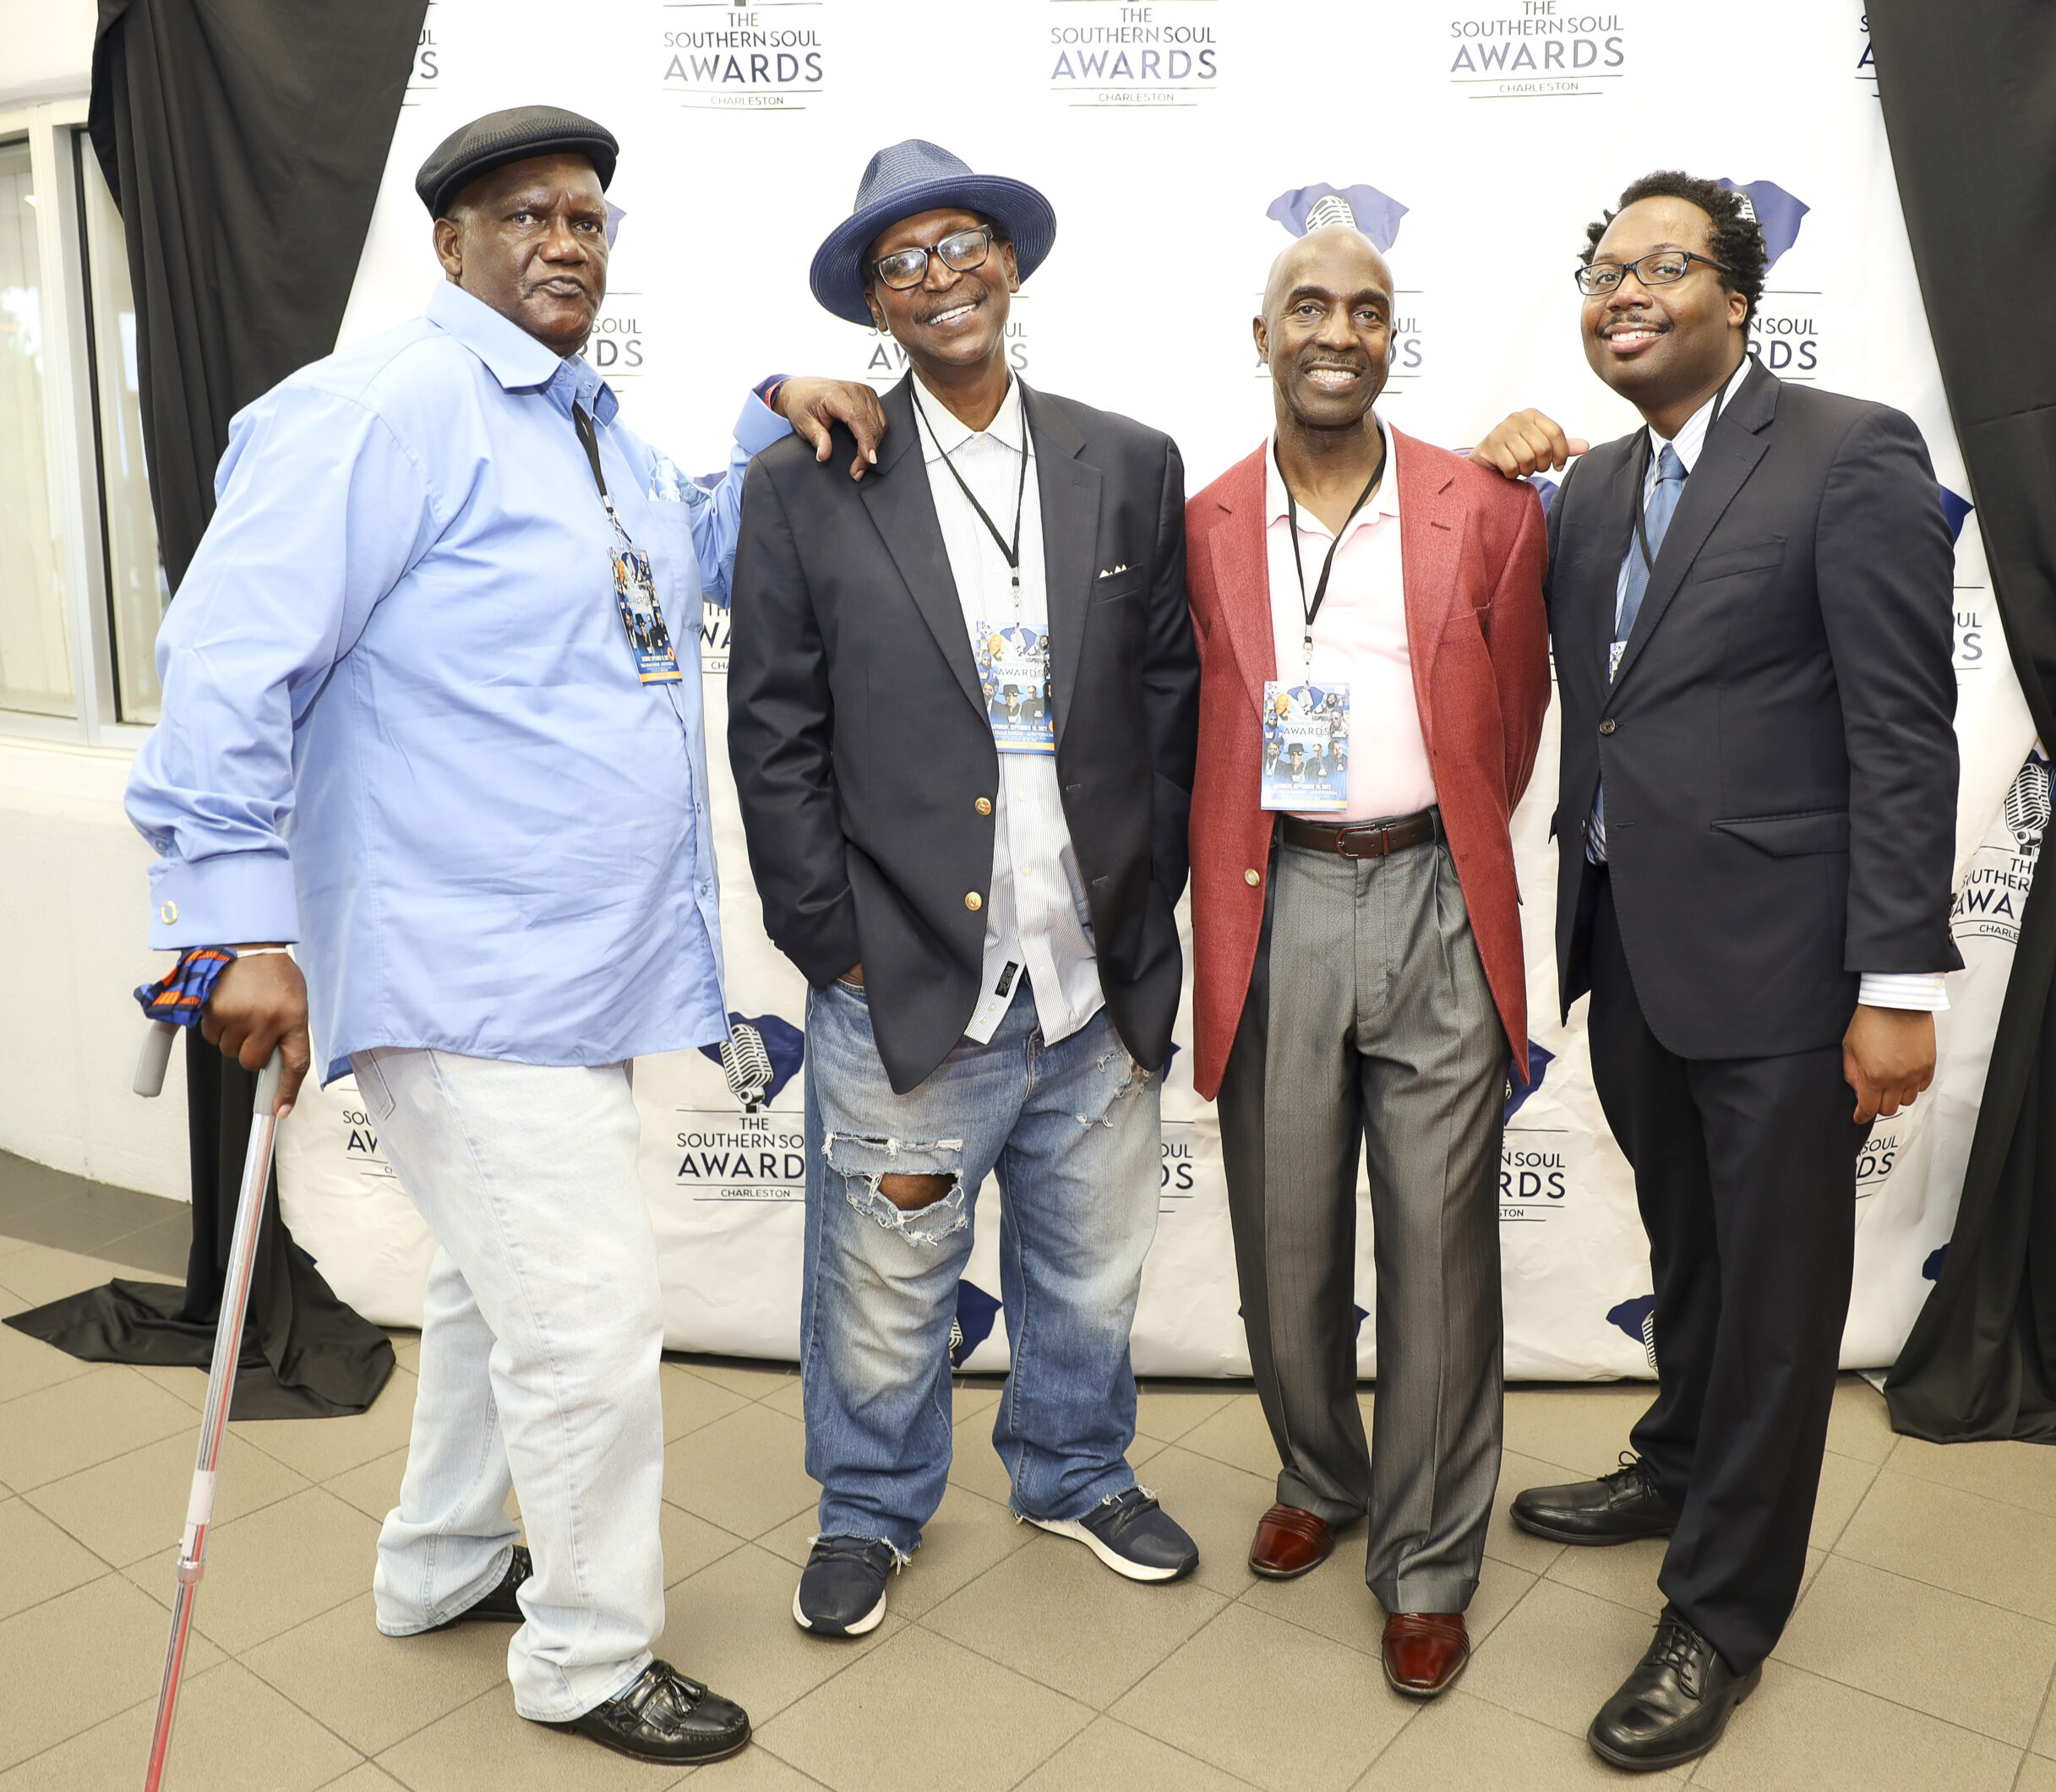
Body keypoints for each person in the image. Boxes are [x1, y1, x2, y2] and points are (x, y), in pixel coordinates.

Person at [125, 105, 888, 1767]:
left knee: (493, 1293)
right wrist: (236, 927)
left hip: (572, 974)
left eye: (587, 217)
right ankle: (590, 1654)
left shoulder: (586, 429)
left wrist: (771, 408)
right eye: (525, 213)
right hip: (460, 974)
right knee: (588, 1327)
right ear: (450, 243)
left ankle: (442, 1561)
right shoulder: (376, 410)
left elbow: (687, 555)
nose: (563, 241)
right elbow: (228, 663)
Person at [1471, 170, 1959, 1770]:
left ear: (1737, 299)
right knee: (1688, 1249)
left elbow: (1904, 732)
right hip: (1631, 951)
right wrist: (1489, 478)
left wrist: (1897, 982)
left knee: (1775, 1302)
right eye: (1603, 268)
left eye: (1662, 264)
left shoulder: (1849, 451)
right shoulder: (1594, 485)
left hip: (1793, 971)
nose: (1623, 289)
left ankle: (1722, 1613)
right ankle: (1679, 1457)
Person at [728, 139, 1202, 1638]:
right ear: (876, 304)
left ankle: (1074, 1468)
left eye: (961, 246)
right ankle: (869, 1506)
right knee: (884, 1281)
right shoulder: (804, 487)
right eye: (903, 262)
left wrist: (1147, 908)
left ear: (1009, 264)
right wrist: (837, 943)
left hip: (1094, 972)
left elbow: (1174, 697)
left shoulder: (1128, 462)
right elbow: (774, 736)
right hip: (910, 972)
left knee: (1091, 1266)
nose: (940, 277)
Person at [1185, 222, 1549, 1697]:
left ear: (1393, 339)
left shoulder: (1487, 506)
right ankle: (1321, 1473)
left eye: (1369, 310)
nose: (1339, 331)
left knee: (1440, 1251)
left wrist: (1434, 848)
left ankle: (1430, 1561)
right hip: (1275, 900)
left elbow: (1513, 725)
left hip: (1433, 896)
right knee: (1283, 1241)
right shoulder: (1204, 518)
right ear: (1262, 334)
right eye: (1310, 307)